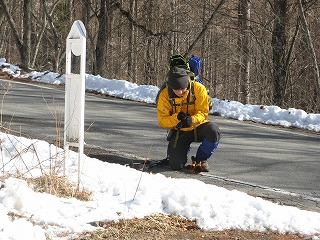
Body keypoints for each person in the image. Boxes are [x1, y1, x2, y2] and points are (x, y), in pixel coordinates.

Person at [157, 66, 221, 172]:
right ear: (171, 87)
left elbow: (203, 113)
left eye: (183, 89)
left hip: (198, 127)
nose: (181, 92)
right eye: (177, 90)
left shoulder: (199, 89)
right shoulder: (164, 95)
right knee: (175, 166)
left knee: (213, 130)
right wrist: (176, 118)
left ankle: (201, 159)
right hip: (180, 130)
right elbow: (162, 120)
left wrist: (192, 119)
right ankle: (180, 153)